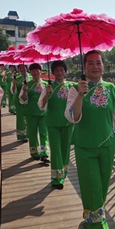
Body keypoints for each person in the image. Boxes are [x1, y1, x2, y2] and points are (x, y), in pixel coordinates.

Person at [65, 50, 115, 229]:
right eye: (90, 63)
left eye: (98, 62)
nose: (95, 66)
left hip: (107, 143)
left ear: (103, 66)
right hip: (85, 146)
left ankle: (92, 217)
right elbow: (73, 117)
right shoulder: (74, 89)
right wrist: (80, 96)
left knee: (102, 186)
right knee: (92, 186)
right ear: (84, 67)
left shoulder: (111, 88)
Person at [38, 61, 75, 189]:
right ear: (53, 73)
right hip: (53, 123)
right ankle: (56, 179)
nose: (59, 72)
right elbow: (41, 106)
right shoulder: (48, 87)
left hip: (67, 123)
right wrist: (47, 94)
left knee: (65, 150)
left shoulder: (71, 86)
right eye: (57, 70)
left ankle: (63, 174)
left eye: (62, 70)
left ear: (65, 71)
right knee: (56, 150)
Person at [20, 63, 49, 161]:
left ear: (40, 71)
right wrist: (24, 91)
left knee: (43, 133)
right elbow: (23, 99)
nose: (35, 72)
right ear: (30, 72)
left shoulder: (46, 84)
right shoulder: (27, 84)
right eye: (32, 70)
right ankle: (34, 152)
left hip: (43, 113)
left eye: (37, 70)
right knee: (32, 133)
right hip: (30, 112)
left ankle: (44, 152)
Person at [11, 64, 31, 141]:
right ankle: (22, 135)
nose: (22, 69)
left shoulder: (31, 77)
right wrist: (14, 83)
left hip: (29, 100)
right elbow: (13, 91)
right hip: (19, 101)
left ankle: (29, 133)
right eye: (20, 68)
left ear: (27, 68)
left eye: (24, 67)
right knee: (20, 117)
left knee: (28, 117)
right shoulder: (17, 78)